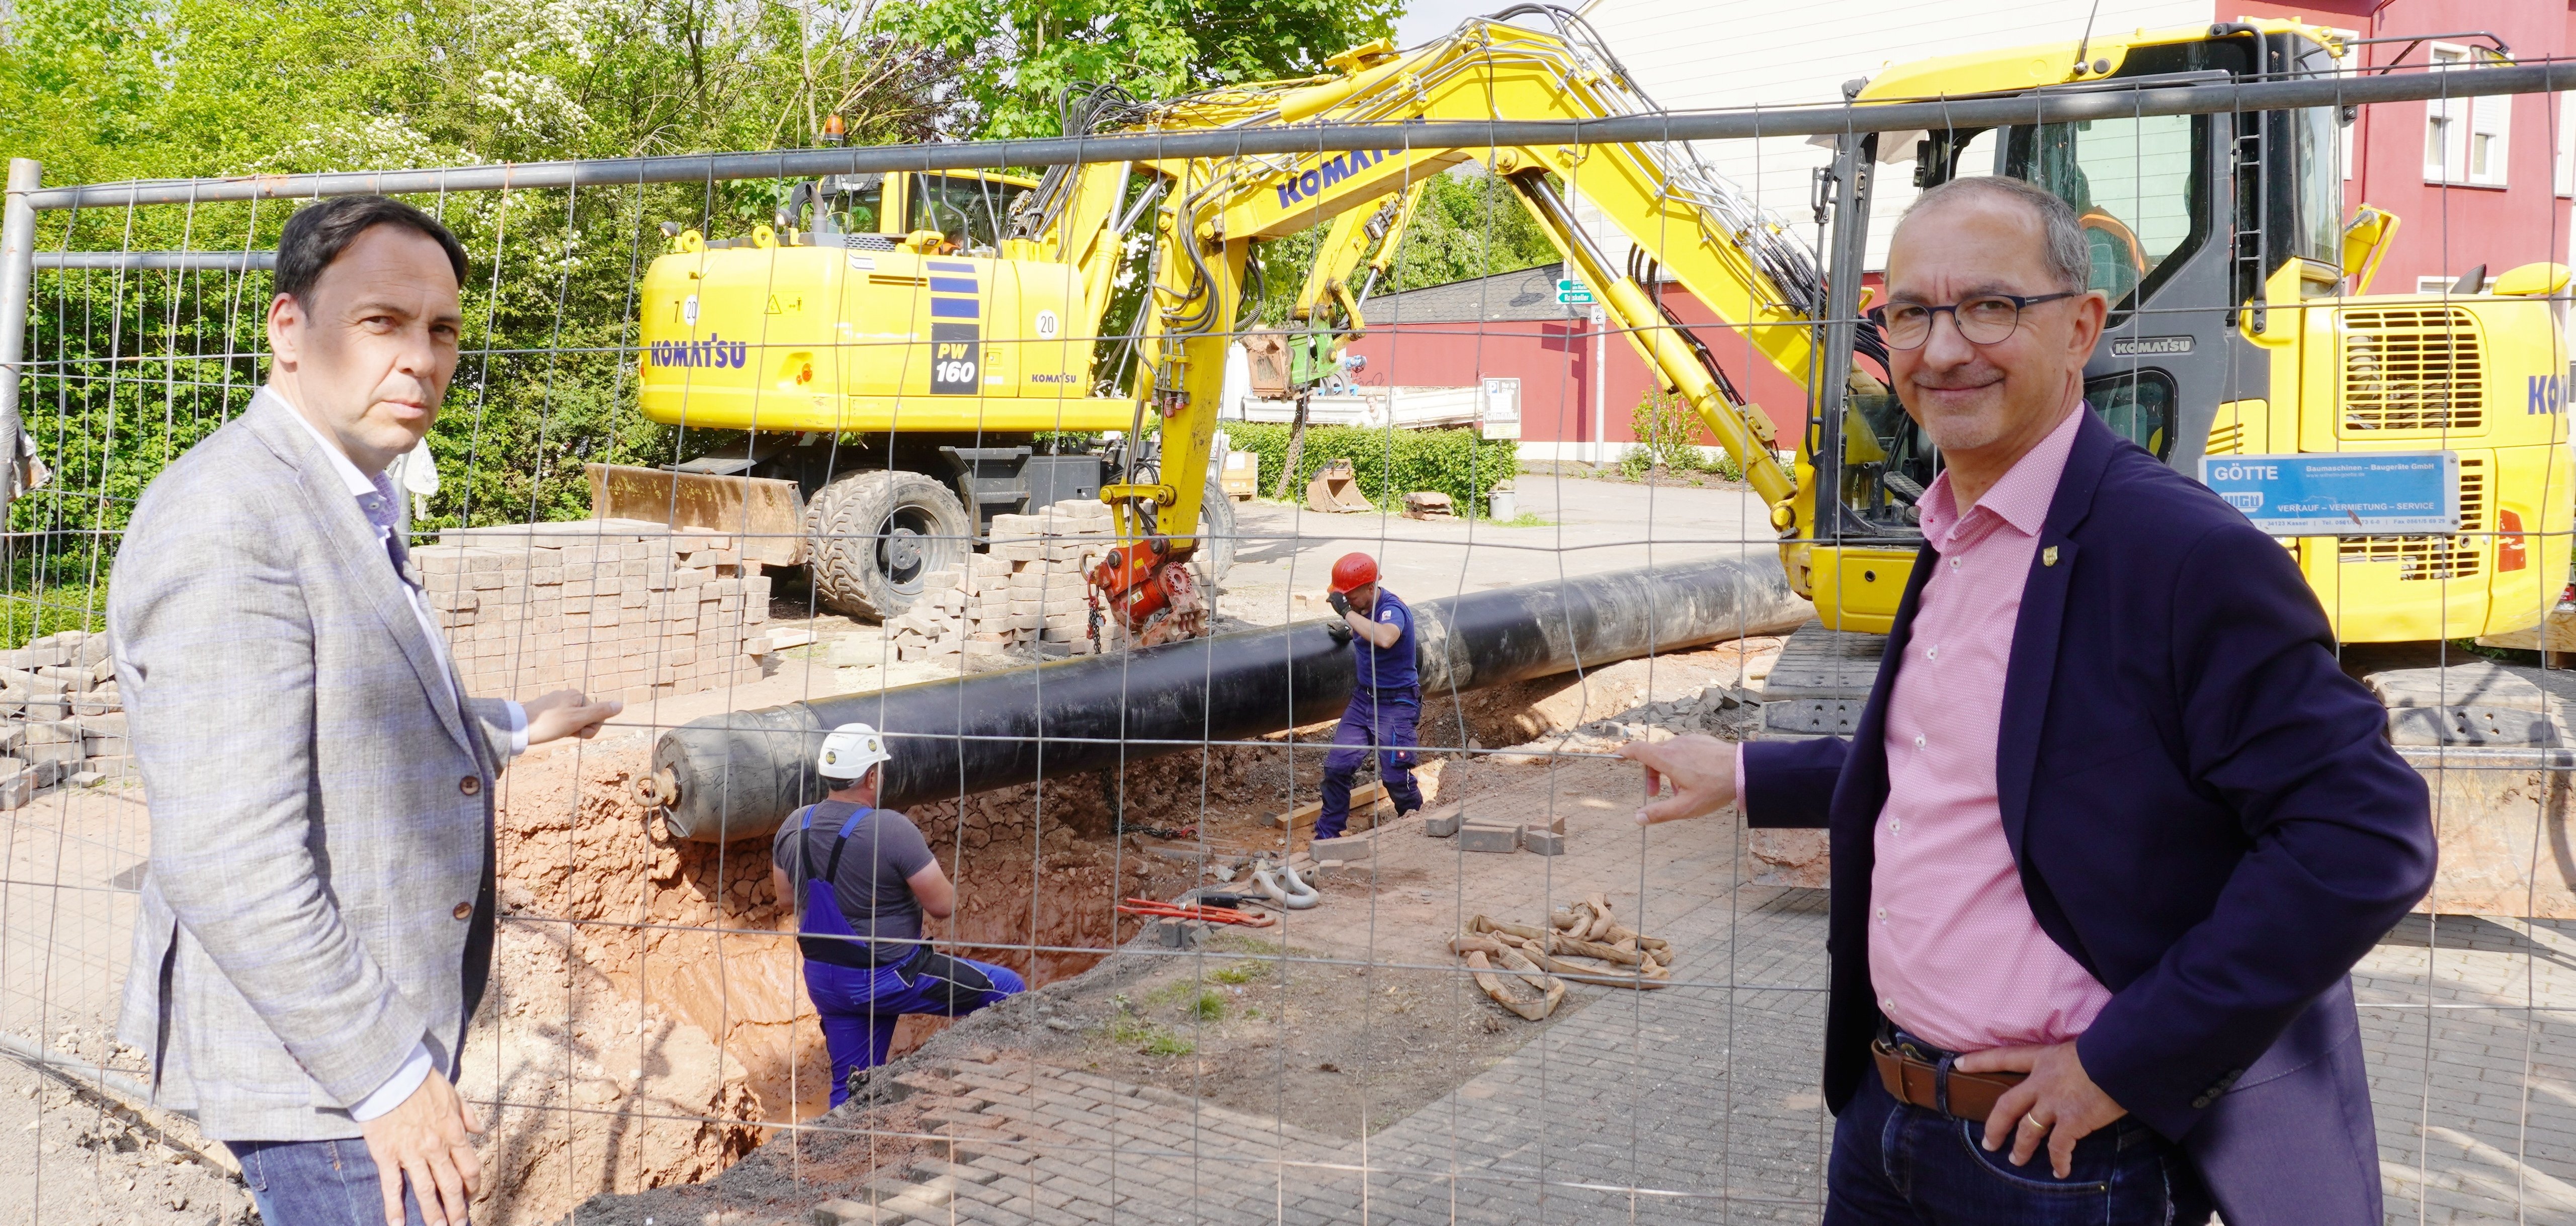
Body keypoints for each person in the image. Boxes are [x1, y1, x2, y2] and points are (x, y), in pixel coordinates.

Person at [1617, 174, 2431, 1226]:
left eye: (1990, 306)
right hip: (1884, 1117)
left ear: (2080, 327)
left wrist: (2123, 1061)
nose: (1942, 348)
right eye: (1909, 312)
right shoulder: (1957, 526)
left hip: (2060, 1154)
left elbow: (2364, 837)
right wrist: (1739, 770)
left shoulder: (2181, 556)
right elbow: (1973, 761)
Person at [111, 196, 623, 1226]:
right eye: (382, 322)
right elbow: (226, 858)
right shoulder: (231, 520)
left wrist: (519, 725)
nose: (422, 359)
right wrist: (389, 1078)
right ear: (289, 330)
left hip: (343, 1055)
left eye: (441, 331)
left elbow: (355, 718)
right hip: (324, 1076)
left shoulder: (343, 492)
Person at [771, 722, 1024, 1106]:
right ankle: (1000, 1099)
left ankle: (842, 1156)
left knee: (854, 1088)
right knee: (1009, 991)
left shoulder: (794, 825)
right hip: (890, 976)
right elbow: (943, 906)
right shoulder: (889, 828)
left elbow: (787, 900)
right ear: (872, 776)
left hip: (826, 982)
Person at [1315, 552, 1423, 841]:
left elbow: (1387, 637)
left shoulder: (1392, 609)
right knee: (1337, 767)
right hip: (1364, 700)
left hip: (1397, 703)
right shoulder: (1361, 611)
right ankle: (1327, 837)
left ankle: (1416, 829)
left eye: (1351, 596)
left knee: (1396, 777)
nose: (1347, 602)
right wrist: (1350, 632)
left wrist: (1347, 615)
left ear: (1370, 587)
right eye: (1343, 598)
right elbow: (1367, 628)